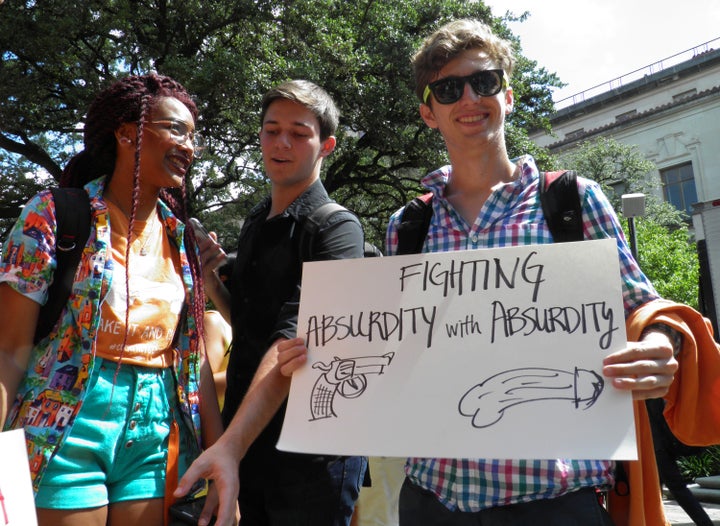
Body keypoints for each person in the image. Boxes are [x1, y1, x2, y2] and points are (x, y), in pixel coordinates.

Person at [381, 18, 697, 526]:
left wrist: (661, 345)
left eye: (484, 81)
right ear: (428, 112)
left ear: (506, 96)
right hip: (431, 498)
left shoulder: (571, 201)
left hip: (555, 504)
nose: (468, 97)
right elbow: (394, 347)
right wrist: (323, 356)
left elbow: (646, 309)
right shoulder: (408, 226)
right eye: (447, 88)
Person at [0, 73, 225, 525]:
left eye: (193, 136)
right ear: (127, 133)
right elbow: (8, 349)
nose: (190, 146)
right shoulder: (54, 215)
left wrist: (220, 461)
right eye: (176, 129)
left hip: (157, 428)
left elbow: (192, 357)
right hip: (64, 420)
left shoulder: (180, 238)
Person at [176, 80, 368, 526]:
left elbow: (296, 340)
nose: (282, 143)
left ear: (327, 146)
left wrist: (228, 444)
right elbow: (247, 323)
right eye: (271, 129)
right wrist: (211, 276)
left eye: (300, 133)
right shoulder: (256, 221)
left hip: (311, 457)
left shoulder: (338, 230)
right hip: (247, 445)